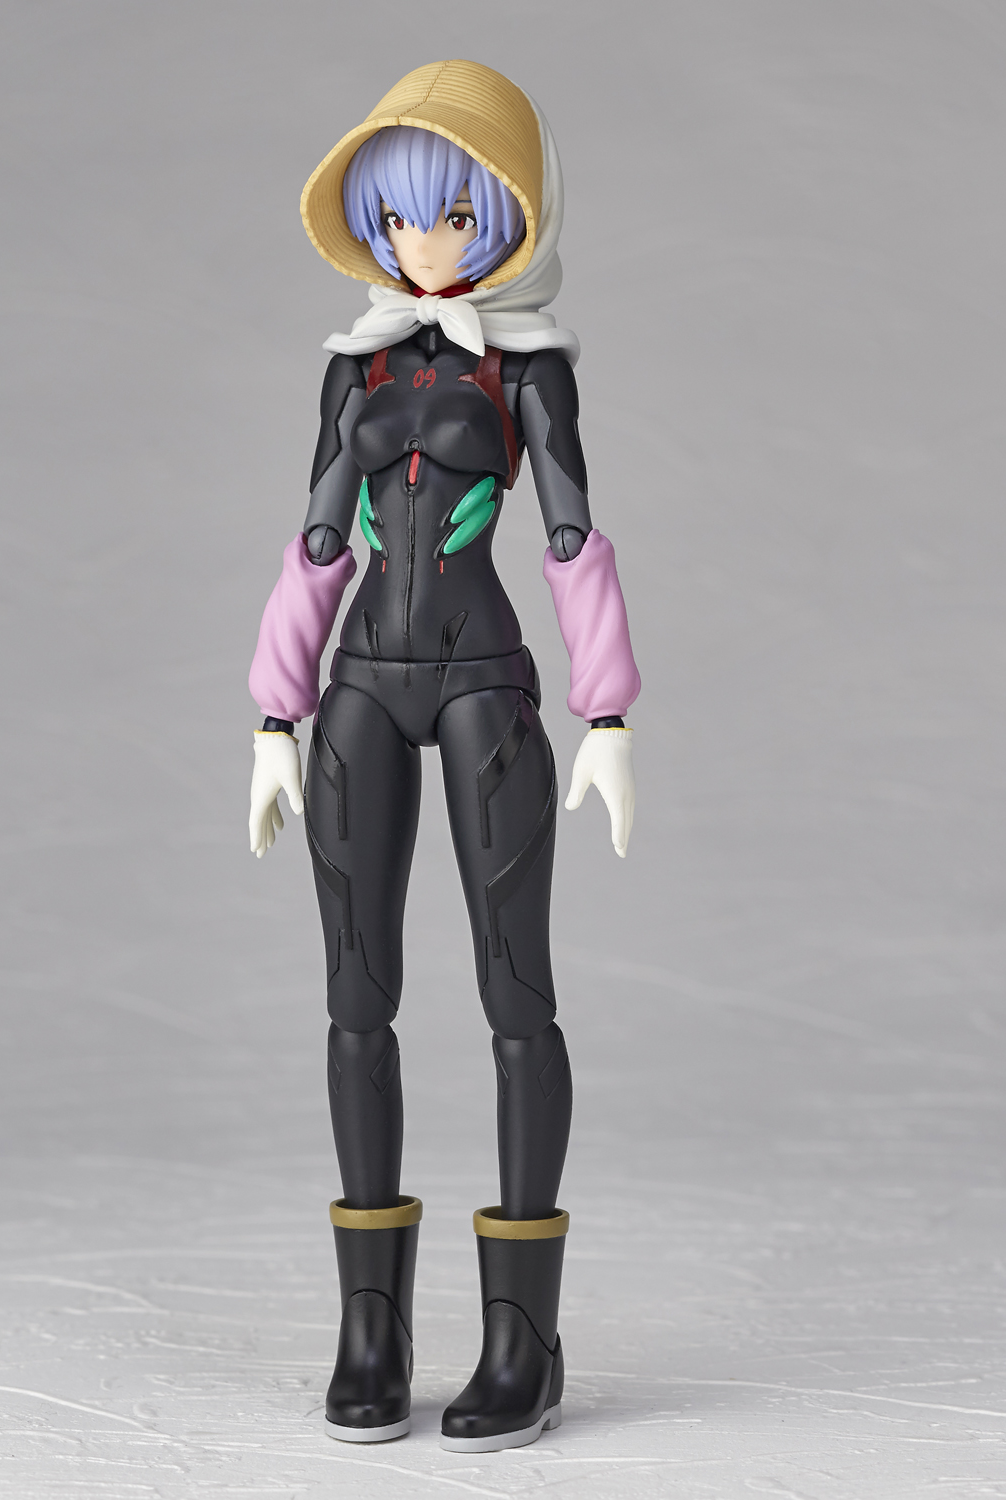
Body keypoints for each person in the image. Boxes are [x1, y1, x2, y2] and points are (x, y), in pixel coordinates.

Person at [246, 59, 641, 1453]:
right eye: (401, 215)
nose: (423, 242)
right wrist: (272, 716)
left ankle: (522, 1339)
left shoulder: (528, 368)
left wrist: (607, 715)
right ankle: (373, 1329)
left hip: (482, 683)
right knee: (357, 998)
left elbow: (572, 538)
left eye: (455, 215)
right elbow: (317, 540)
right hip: (359, 683)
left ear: (512, 217)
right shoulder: (354, 365)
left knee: (515, 996)